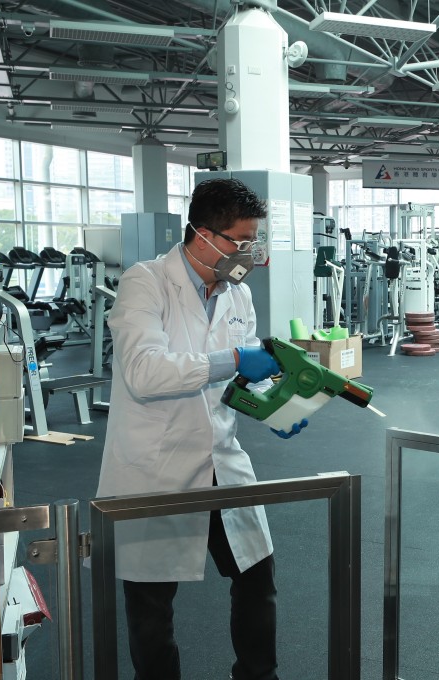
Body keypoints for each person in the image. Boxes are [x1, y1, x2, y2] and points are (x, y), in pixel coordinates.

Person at [96, 177, 306, 680]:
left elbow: (242, 376)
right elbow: (146, 372)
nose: (248, 254)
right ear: (203, 234)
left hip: (222, 459)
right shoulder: (146, 282)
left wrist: (271, 405)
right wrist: (232, 357)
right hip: (156, 464)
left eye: (253, 241)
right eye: (240, 241)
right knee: (151, 605)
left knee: (257, 578)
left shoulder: (238, 294)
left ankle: (258, 676)